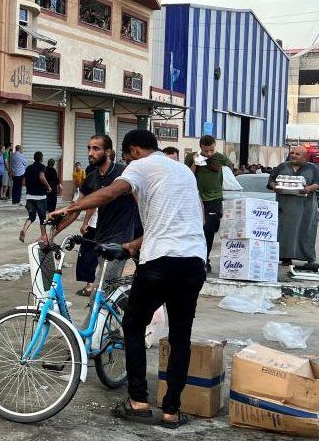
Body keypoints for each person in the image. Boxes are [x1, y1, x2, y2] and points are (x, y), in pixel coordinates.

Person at [50, 129, 207, 429]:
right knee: (180, 337)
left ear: (133, 151)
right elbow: (188, 221)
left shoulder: (140, 165)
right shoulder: (184, 172)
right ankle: (172, 412)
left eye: (125, 156)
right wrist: (132, 245)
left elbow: (111, 192)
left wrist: (69, 208)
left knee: (133, 325)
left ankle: (138, 402)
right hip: (193, 263)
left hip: (160, 262)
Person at [52, 135, 141, 296]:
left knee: (98, 295)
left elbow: (141, 203)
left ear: (107, 152)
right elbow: (75, 209)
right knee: (108, 294)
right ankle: (131, 317)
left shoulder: (123, 173)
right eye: (89, 148)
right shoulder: (92, 178)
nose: (90, 153)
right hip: (100, 241)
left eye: (96, 148)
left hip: (120, 242)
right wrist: (51, 235)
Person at [269, 147, 319, 270]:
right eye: (292, 153)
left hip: (306, 207)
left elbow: (317, 183)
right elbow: (271, 180)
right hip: (285, 206)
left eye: (297, 154)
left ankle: (308, 258)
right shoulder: (282, 166)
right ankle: (285, 257)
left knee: (306, 231)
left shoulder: (312, 168)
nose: (293, 155)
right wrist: (274, 187)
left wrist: (308, 189)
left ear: (305, 157)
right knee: (285, 231)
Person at [184, 135, 229, 271]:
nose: (208, 153)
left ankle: (205, 260)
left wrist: (210, 162)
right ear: (200, 147)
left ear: (215, 147)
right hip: (196, 199)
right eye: (205, 151)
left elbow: (227, 168)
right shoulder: (192, 156)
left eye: (211, 150)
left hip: (214, 199)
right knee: (193, 231)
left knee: (208, 230)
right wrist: (195, 162)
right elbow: (188, 175)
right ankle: (194, 259)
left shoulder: (220, 157)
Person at [19, 152, 52, 243]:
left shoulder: (28, 168)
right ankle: (43, 236)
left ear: (34, 158)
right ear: (41, 158)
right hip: (40, 197)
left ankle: (24, 230)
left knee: (31, 216)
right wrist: (48, 187)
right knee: (42, 218)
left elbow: (23, 182)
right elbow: (41, 177)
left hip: (29, 197)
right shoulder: (42, 167)